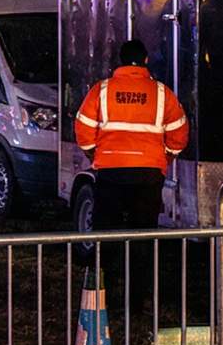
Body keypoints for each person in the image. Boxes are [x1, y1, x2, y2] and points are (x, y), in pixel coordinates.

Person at [72, 39, 188, 230]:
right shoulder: (162, 92)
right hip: (149, 174)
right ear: (146, 59)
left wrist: (94, 153)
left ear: (121, 60)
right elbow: (179, 133)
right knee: (143, 232)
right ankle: (139, 260)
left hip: (110, 172)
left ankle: (110, 260)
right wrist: (165, 156)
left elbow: (83, 128)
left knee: (107, 231)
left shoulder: (102, 90)